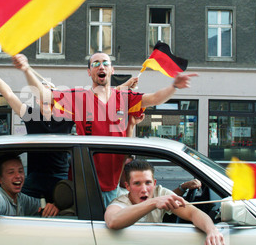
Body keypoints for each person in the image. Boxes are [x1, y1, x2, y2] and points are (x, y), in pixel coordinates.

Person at [13, 52, 198, 206]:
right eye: (95, 64)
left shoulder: (124, 97)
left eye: (105, 63)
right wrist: (27, 69)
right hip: (83, 187)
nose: (101, 66)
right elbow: (45, 95)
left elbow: (154, 99)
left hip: (113, 188)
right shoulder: (79, 97)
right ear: (89, 72)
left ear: (112, 70)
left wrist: (174, 86)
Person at [0, 57, 74, 202]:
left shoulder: (66, 117)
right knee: (18, 203)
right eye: (41, 92)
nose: (45, 95)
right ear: (36, 99)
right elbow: (9, 94)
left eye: (49, 92)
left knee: (64, 207)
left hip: (60, 176)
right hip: (35, 177)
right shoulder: (31, 116)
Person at [105, 160, 225, 245]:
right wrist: (153, 203)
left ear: (154, 183)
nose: (144, 189)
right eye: (137, 183)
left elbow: (193, 213)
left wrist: (211, 230)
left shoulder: (160, 193)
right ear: (128, 186)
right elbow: (113, 221)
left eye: (148, 183)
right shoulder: (121, 201)